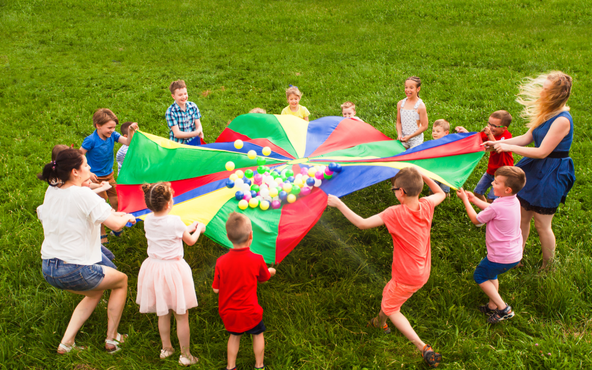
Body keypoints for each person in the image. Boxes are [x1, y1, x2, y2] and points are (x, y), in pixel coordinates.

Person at [327, 167, 445, 368]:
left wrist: (339, 204)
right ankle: (379, 322)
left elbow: (362, 224)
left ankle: (423, 347)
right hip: (422, 270)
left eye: (393, 189)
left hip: (407, 275)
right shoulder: (426, 205)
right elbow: (441, 193)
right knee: (389, 297)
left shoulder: (394, 213)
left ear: (402, 192)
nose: (393, 192)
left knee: (392, 309)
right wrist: (423, 174)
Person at [37, 149, 136, 354]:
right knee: (121, 281)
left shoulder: (53, 190)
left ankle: (66, 343)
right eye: (86, 165)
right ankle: (113, 339)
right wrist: (127, 218)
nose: (90, 168)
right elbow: (115, 225)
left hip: (49, 268)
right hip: (73, 269)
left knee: (95, 291)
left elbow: (82, 210)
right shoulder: (82, 194)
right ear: (75, 172)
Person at [486, 72, 574, 269]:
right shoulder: (547, 113)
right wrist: (497, 142)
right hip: (534, 169)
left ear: (555, 94)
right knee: (522, 216)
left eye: (546, 88)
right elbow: (527, 138)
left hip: (552, 172)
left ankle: (547, 266)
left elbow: (542, 151)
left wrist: (509, 148)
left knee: (542, 224)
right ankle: (516, 256)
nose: (541, 91)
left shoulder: (562, 120)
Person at [136, 182, 205, 366]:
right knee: (181, 315)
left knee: (163, 312)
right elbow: (189, 241)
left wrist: (187, 227)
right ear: (168, 204)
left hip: (154, 269)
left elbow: (170, 233)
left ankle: (166, 348)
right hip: (173, 271)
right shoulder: (175, 221)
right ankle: (185, 355)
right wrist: (198, 229)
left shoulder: (148, 219)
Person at [456, 166, 526, 324]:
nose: (492, 184)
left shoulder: (498, 205)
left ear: (507, 189)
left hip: (500, 256)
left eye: (496, 183)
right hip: (513, 253)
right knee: (491, 275)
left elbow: (476, 220)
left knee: (480, 276)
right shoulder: (512, 200)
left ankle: (503, 309)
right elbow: (493, 210)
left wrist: (466, 200)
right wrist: (474, 199)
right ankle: (492, 305)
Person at [212, 212, 277, 370]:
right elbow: (264, 277)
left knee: (234, 336)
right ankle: (259, 365)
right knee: (258, 334)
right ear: (251, 236)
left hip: (229, 312)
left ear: (227, 236)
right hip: (250, 312)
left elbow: (215, 289)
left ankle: (231, 366)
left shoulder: (221, 262)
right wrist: (272, 271)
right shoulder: (257, 259)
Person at [80, 109, 138, 242]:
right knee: (100, 205)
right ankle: (101, 233)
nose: (112, 130)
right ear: (98, 126)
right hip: (96, 179)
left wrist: (130, 130)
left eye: (114, 127)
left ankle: (116, 227)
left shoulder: (112, 135)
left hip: (109, 175)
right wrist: (88, 172)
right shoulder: (91, 140)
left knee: (116, 200)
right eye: (109, 127)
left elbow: (128, 142)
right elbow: (79, 154)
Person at [456, 111, 514, 203]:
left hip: (503, 174)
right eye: (489, 124)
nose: (490, 127)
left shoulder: (507, 136)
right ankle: (487, 210)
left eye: (495, 126)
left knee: (492, 198)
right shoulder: (490, 133)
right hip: (491, 171)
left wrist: (489, 135)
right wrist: (466, 132)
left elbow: (497, 147)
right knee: (477, 192)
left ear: (504, 128)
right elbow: (477, 138)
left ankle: (492, 212)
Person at [166, 79, 205, 144]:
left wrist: (200, 131)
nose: (184, 97)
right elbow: (177, 134)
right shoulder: (170, 111)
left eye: (185, 93)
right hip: (178, 144)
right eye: (180, 95)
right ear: (173, 96)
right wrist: (195, 133)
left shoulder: (193, 106)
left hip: (193, 141)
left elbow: (198, 125)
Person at [396, 76, 429, 149]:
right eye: (406, 87)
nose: (408, 90)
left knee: (412, 158)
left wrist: (410, 136)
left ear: (418, 89)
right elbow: (399, 122)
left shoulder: (420, 106)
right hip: (403, 138)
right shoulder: (401, 104)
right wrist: (399, 135)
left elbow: (424, 126)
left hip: (416, 140)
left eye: (411, 88)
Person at [430, 119, 451, 195]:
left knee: (444, 190)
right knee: (432, 189)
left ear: (446, 133)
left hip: (446, 171)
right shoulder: (431, 144)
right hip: (434, 170)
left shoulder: (448, 144)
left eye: (438, 131)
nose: (435, 133)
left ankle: (446, 202)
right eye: (433, 131)